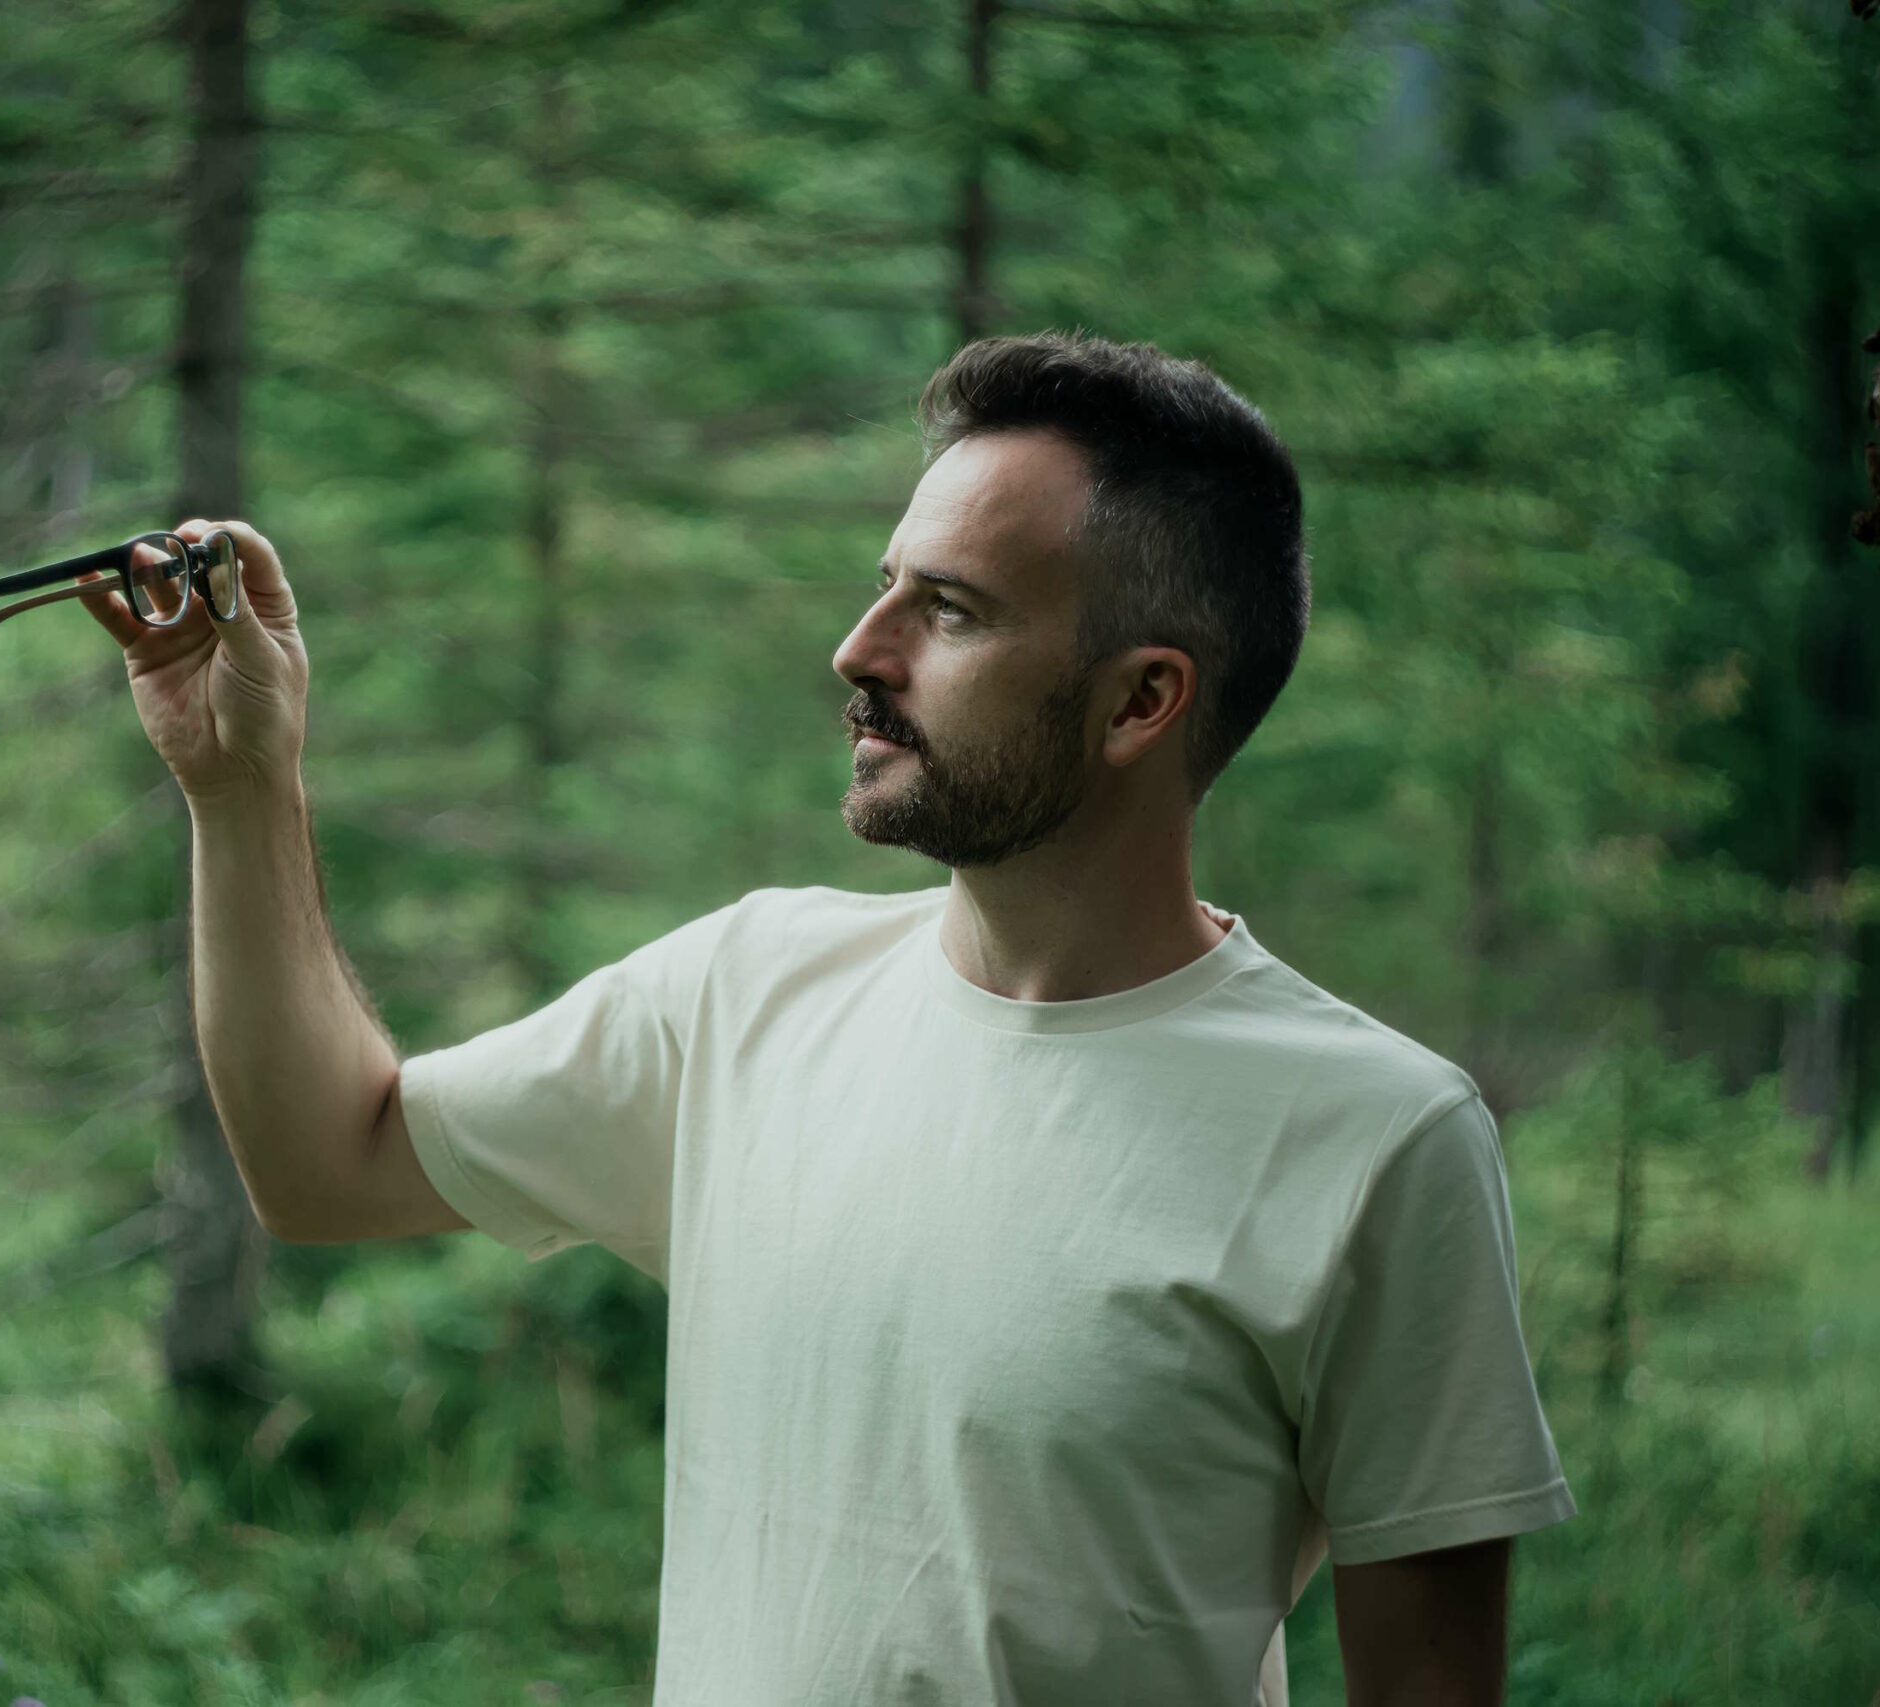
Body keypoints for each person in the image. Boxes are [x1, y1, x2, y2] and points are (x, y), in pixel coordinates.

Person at [77, 331, 1577, 1706]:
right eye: (887, 582)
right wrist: (240, 782)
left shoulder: (1379, 1139)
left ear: (1141, 703)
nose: (859, 651)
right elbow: (323, 1164)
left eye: (950, 610)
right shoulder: (743, 997)